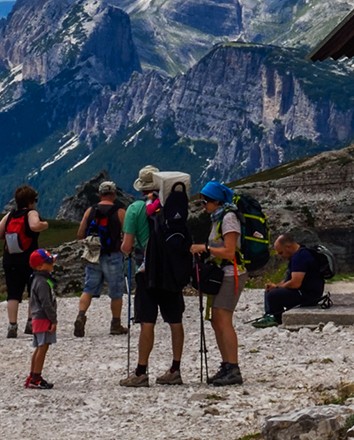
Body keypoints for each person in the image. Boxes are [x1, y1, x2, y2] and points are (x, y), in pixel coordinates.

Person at [121, 166, 185, 387]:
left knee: (147, 321)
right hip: (171, 272)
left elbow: (127, 246)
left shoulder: (135, 209)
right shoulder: (173, 206)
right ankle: (175, 369)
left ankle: (141, 372)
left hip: (145, 273)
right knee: (175, 320)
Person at [197, 179, 244, 386]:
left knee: (223, 319)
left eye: (205, 201)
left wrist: (206, 249)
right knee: (217, 319)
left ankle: (233, 367)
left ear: (216, 202)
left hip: (232, 273)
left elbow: (230, 251)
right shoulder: (219, 218)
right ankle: (226, 365)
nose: (203, 205)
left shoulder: (229, 219)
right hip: (222, 272)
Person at [74, 177, 128, 337]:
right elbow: (126, 234)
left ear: (99, 194)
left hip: (93, 255)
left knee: (88, 288)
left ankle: (81, 315)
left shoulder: (90, 211)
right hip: (113, 255)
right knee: (116, 292)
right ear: (113, 194)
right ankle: (115, 324)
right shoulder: (120, 211)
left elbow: (80, 234)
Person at [0, 184, 44, 339]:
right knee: (33, 291)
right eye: (35, 199)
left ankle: (12, 326)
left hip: (10, 259)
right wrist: (44, 225)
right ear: (30, 201)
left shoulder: (9, 215)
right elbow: (35, 226)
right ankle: (31, 323)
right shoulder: (31, 213)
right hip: (30, 259)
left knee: (13, 294)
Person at [253, 235, 329, 326]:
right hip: (308, 292)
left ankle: (276, 317)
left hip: (309, 295)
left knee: (273, 295)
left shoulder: (299, 257)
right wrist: (275, 286)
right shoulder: (301, 253)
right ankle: (270, 314)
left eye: (281, 253)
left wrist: (277, 287)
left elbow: (295, 283)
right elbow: (288, 280)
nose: (281, 256)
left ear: (288, 247)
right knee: (270, 291)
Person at [25, 246, 58, 387]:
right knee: (43, 347)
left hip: (38, 318)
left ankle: (32, 376)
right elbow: (46, 303)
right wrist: (53, 319)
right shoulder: (42, 282)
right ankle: (36, 378)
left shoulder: (37, 280)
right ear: (39, 267)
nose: (52, 264)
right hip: (43, 317)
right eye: (49, 263)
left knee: (39, 347)